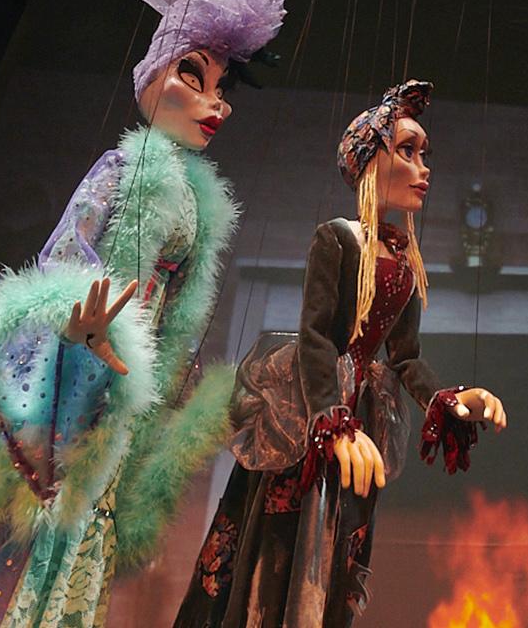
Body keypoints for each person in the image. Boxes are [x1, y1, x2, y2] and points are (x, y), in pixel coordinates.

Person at [0, 0, 286, 627]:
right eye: (193, 76)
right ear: (152, 79)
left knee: (79, 552)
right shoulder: (125, 165)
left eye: (221, 85)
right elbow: (65, 262)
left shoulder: (195, 203)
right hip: (75, 393)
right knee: (32, 547)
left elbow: (177, 323)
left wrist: (171, 400)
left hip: (122, 406)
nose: (215, 100)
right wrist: (76, 326)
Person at [173, 79, 506, 628]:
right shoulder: (338, 238)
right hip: (311, 413)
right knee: (280, 546)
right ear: (371, 162)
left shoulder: (404, 258)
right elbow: (317, 337)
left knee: (341, 554)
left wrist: (447, 399)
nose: (425, 167)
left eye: (425, 154)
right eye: (407, 151)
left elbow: (404, 359)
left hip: (364, 420)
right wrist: (333, 421)